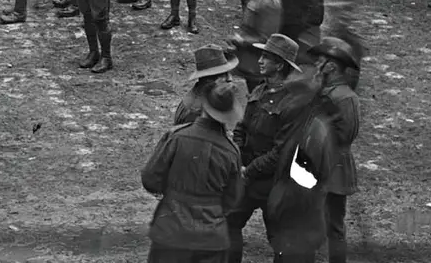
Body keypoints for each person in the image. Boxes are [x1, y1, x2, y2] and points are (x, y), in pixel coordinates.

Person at [141, 79, 245, 263]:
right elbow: (233, 199)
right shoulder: (231, 151)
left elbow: (150, 179)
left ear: (204, 106)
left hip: (171, 231)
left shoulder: (177, 137)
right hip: (211, 239)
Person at [226, 33, 304, 263]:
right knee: (229, 224)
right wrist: (239, 158)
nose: (259, 61)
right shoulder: (260, 90)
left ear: (280, 65)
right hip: (248, 176)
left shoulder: (293, 103)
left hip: (274, 183)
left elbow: (282, 152)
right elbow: (241, 127)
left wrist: (248, 171)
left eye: (266, 57)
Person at [311, 37, 361, 263]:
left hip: (333, 169)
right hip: (317, 164)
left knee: (332, 225)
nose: (316, 65)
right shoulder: (324, 91)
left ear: (331, 66)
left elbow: (345, 136)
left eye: (319, 61)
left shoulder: (344, 97)